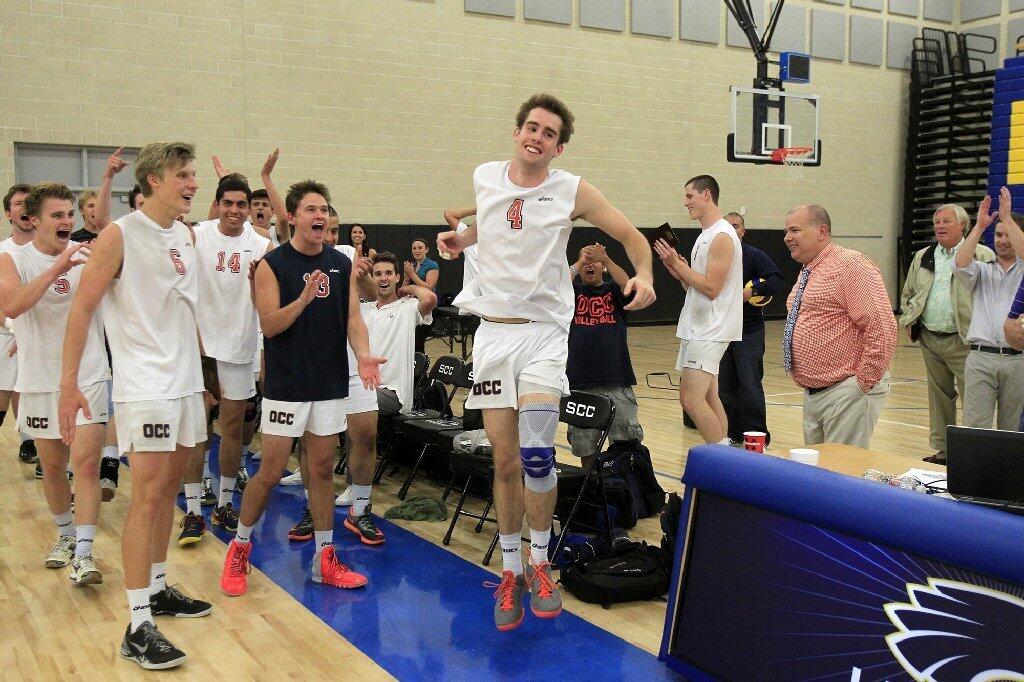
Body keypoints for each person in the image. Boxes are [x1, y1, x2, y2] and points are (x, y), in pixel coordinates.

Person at [437, 93, 655, 632]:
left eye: (549, 132)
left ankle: (540, 562)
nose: (537, 136)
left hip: (543, 337)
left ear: (559, 146)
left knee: (538, 455)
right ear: (517, 133)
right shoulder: (486, 177)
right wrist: (461, 238)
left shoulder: (571, 189)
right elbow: (494, 226)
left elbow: (630, 235)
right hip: (492, 338)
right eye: (530, 127)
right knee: (505, 462)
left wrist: (643, 274)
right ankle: (509, 570)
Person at [59, 142, 214, 670]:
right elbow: (81, 310)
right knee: (146, 496)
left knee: (169, 490)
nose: (193, 184)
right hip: (144, 384)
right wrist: (68, 385)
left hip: (184, 382)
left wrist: (202, 376)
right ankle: (137, 624)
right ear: (151, 181)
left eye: (193, 175)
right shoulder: (119, 234)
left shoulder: (187, 236)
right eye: (183, 175)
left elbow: (185, 310)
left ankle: (159, 586)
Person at [219, 180, 384, 598]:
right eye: (311, 209)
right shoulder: (272, 265)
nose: (320, 216)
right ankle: (239, 548)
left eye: (324, 210)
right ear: (292, 216)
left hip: (328, 381)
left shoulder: (341, 264)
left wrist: (363, 353)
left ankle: (324, 558)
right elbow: (270, 325)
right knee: (272, 470)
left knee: (324, 468)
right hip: (287, 383)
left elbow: (353, 319)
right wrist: (305, 299)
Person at [0, 182, 110, 586]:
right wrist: (56, 269)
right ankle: (64, 535)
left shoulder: (89, 255)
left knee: (85, 465)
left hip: (89, 374)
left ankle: (84, 552)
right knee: (52, 467)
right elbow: (12, 305)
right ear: (32, 219)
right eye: (57, 215)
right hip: (40, 379)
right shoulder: (11, 257)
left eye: (69, 214)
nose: (67, 222)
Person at [178, 175, 271, 546]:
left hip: (240, 346)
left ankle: (226, 503)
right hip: (198, 348)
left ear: (249, 208)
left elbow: (265, 298)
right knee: (197, 430)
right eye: (227, 203)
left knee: (233, 428)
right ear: (216, 205)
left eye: (241, 204)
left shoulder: (262, 243)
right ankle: (192, 512)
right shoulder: (196, 236)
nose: (234, 210)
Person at [782, 204, 897, 448]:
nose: (787, 238)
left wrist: (862, 382)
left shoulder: (851, 265)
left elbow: (882, 326)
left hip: (846, 389)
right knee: (819, 473)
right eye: (786, 231)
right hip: (816, 392)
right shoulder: (809, 270)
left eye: (795, 230)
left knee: (843, 473)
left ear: (821, 231)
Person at [653, 175, 743, 446]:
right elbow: (696, 288)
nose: (686, 203)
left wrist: (680, 266)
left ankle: (721, 461)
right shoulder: (706, 235)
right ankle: (724, 451)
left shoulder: (722, 236)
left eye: (690, 197)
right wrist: (677, 270)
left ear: (707, 195)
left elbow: (713, 288)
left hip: (711, 329)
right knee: (708, 396)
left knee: (690, 399)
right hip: (699, 325)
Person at [899, 204, 993, 464]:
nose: (939, 226)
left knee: (973, 399)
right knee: (938, 397)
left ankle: (974, 454)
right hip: (930, 339)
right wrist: (909, 319)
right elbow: (908, 294)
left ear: (962, 225)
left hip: (966, 341)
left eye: (946, 221)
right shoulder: (923, 256)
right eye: (936, 221)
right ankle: (944, 451)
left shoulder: (982, 255)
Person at [953, 188, 1024, 431]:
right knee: (974, 426)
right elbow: (960, 264)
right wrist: (980, 227)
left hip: (1018, 360)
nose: (1002, 240)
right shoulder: (983, 270)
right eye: (998, 234)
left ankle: (1007, 471)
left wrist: (1006, 218)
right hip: (981, 357)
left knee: (1011, 428)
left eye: (1007, 234)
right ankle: (975, 470)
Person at [566, 244, 643, 467]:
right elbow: (558, 281)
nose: (590, 264)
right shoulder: (572, 292)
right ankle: (592, 488)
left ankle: (622, 487)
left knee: (626, 439)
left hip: (616, 379)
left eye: (595, 261)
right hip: (579, 382)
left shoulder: (612, 291)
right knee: (584, 444)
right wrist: (582, 260)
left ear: (604, 267)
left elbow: (626, 282)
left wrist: (606, 259)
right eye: (584, 261)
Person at [716, 211, 783, 445]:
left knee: (750, 384)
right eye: (728, 226)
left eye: (736, 226)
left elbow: (776, 280)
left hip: (749, 330)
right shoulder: (716, 257)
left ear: (743, 231)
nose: (732, 229)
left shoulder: (754, 256)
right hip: (722, 331)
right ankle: (733, 433)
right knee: (725, 388)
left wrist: (752, 290)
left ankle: (758, 435)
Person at [2, 183, 36, 464]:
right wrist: (14, 328)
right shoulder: (3, 251)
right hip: (6, 333)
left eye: (29, 202)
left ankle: (31, 443)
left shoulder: (54, 249)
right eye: (18, 203)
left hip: (42, 335)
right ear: (8, 214)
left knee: (30, 390)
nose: (24, 207)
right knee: (5, 389)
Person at [70, 148, 128, 243]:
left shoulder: (113, 237)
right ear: (81, 210)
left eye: (98, 206)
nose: (96, 209)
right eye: (91, 206)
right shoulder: (73, 239)